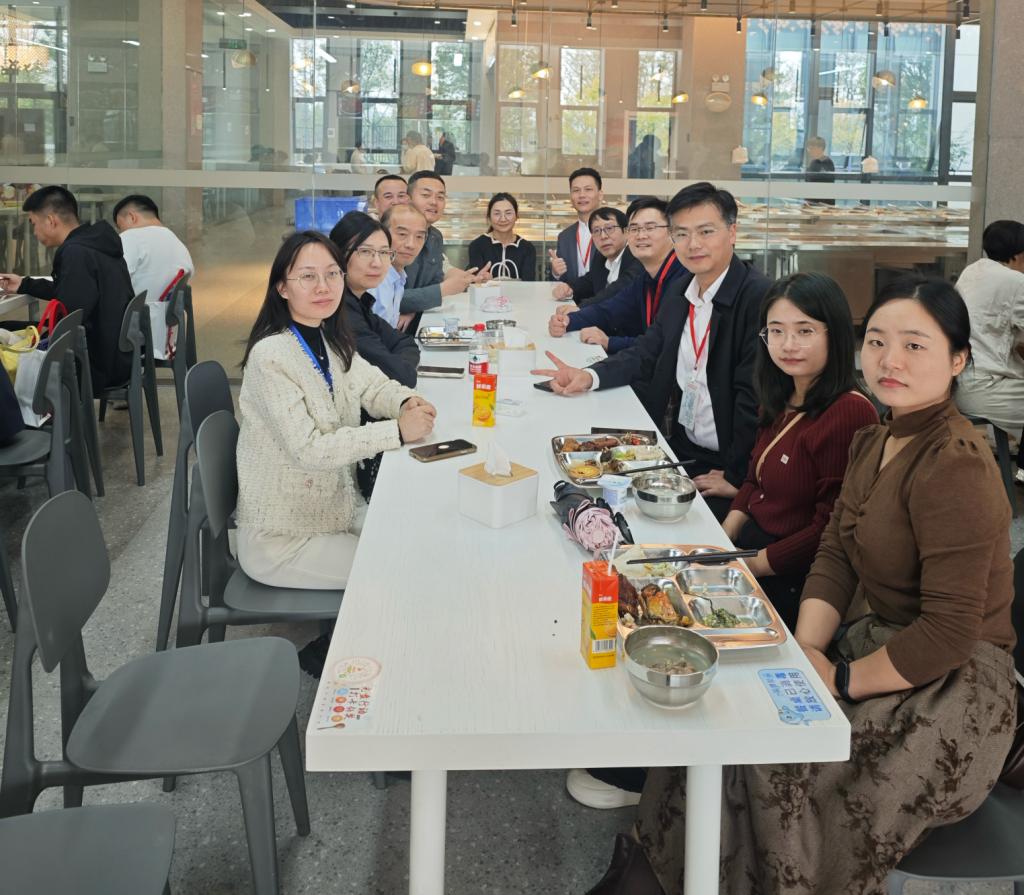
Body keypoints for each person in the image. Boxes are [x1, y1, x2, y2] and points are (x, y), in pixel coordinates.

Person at [592, 275, 1018, 895]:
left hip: (948, 685)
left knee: (775, 762)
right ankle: (659, 874)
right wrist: (807, 650)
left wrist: (838, 680)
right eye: (878, 341)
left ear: (958, 359)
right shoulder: (876, 439)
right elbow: (837, 552)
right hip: (872, 644)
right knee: (726, 720)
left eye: (915, 345)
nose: (890, 361)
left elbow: (950, 632)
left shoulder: (954, 462)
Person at [534, 182, 769, 522]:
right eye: (682, 234)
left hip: (731, 465)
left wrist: (738, 475)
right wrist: (589, 376)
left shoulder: (757, 297)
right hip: (685, 447)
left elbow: (754, 393)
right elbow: (647, 350)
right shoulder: (682, 291)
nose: (693, 244)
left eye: (706, 231)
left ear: (732, 232)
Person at [236, 229, 435, 597]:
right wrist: (396, 431)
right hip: (283, 537)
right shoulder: (271, 357)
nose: (323, 286)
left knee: (421, 541)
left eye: (332, 274)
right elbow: (309, 449)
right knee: (404, 571)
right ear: (282, 287)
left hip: (335, 510)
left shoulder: (328, 338)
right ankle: (340, 637)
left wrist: (406, 402)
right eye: (307, 276)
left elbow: (372, 386)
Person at [721, 273, 878, 629]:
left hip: (796, 575)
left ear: (834, 334)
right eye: (776, 331)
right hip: (754, 545)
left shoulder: (849, 412)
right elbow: (754, 478)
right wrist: (723, 537)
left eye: (804, 331)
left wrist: (751, 564)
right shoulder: (783, 393)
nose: (787, 345)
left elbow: (830, 527)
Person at [0, 185, 132, 391]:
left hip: (92, 364)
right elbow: (74, 292)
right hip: (113, 353)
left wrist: (37, 337)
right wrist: (24, 284)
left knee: (5, 331)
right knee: (9, 327)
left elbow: (69, 317)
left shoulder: (75, 252)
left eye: (34, 224)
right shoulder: (95, 243)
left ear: (51, 220)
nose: (34, 232)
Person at [547, 197, 684, 355]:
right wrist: (568, 321)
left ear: (672, 232)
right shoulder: (646, 278)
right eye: (635, 229)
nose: (641, 235)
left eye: (650, 227)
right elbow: (609, 309)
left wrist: (609, 342)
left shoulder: (684, 280)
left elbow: (665, 345)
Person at [953, 219, 1024, 457]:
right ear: (1019, 254)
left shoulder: (972, 271)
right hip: (983, 389)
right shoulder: (1015, 281)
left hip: (958, 382)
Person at [328, 212, 419, 387]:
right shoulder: (340, 311)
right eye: (365, 251)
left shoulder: (359, 301)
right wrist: (400, 364)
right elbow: (402, 376)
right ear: (338, 255)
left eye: (384, 252)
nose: (377, 263)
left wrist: (398, 363)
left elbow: (405, 342)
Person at [113, 193, 195, 360]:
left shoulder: (131, 237)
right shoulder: (177, 243)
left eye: (121, 227)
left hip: (135, 332)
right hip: (167, 334)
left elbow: (113, 279)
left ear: (132, 217)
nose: (121, 232)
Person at [399, 171, 489, 319]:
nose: (434, 202)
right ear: (408, 200)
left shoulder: (435, 236)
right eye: (426, 195)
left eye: (440, 197)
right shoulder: (392, 237)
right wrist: (442, 290)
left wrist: (469, 279)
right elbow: (387, 296)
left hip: (423, 316)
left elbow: (436, 277)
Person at [551, 206, 643, 307]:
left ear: (626, 232)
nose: (603, 236)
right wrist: (569, 288)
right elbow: (589, 281)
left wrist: (581, 309)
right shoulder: (600, 257)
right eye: (596, 231)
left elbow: (618, 291)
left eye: (609, 228)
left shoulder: (638, 257)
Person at [369, 204, 428, 328]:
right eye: (402, 234)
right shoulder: (374, 280)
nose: (411, 245)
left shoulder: (398, 276)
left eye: (419, 237)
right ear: (382, 235)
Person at [548, 167, 603, 289]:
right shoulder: (565, 237)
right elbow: (561, 283)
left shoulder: (611, 232)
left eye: (588, 189)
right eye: (576, 190)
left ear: (600, 195)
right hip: (572, 299)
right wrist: (556, 273)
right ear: (571, 197)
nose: (582, 195)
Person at [467, 193, 537, 281]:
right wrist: (480, 279)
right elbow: (474, 282)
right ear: (489, 217)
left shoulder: (527, 248)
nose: (503, 219)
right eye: (497, 214)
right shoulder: (477, 246)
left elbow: (529, 284)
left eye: (508, 213)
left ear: (516, 216)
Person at [805, 135, 836, 206]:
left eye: (811, 148)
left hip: (821, 204)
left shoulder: (826, 163)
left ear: (820, 148)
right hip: (813, 202)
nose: (809, 151)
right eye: (808, 148)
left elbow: (823, 184)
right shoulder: (814, 162)